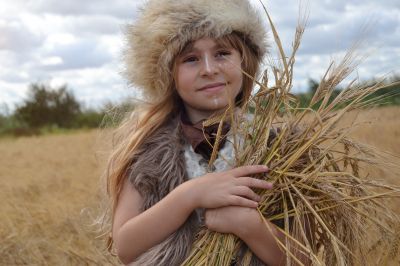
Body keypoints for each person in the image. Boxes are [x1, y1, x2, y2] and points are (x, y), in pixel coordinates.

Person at [105, 0, 289, 265]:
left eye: (222, 53)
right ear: (169, 74)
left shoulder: (283, 148)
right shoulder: (148, 153)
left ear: (245, 61)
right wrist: (189, 195)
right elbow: (125, 247)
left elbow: (304, 258)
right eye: (190, 59)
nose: (209, 69)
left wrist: (247, 224)